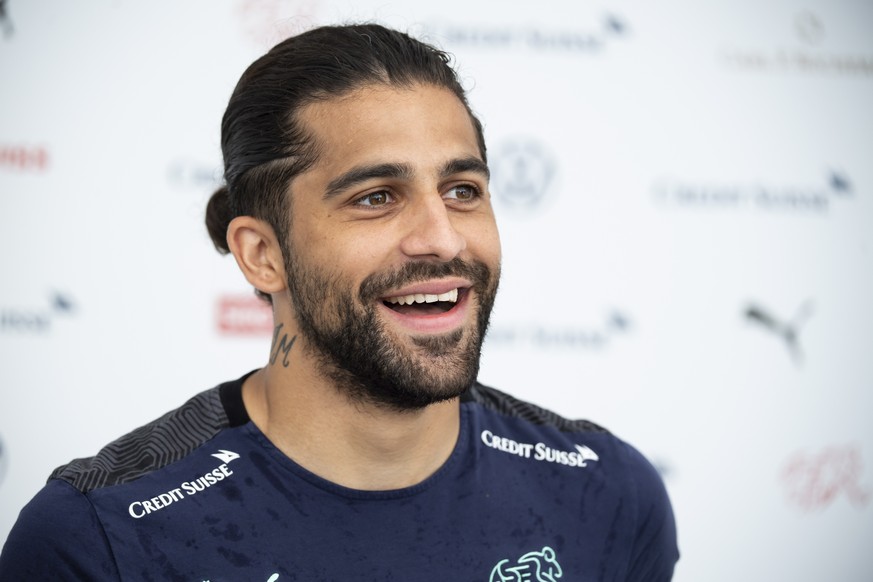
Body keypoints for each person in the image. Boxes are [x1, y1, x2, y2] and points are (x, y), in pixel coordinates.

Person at [0, 24, 678, 580]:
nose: (440, 237)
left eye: (462, 190)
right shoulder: (98, 538)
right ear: (261, 254)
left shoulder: (605, 494)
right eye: (375, 197)